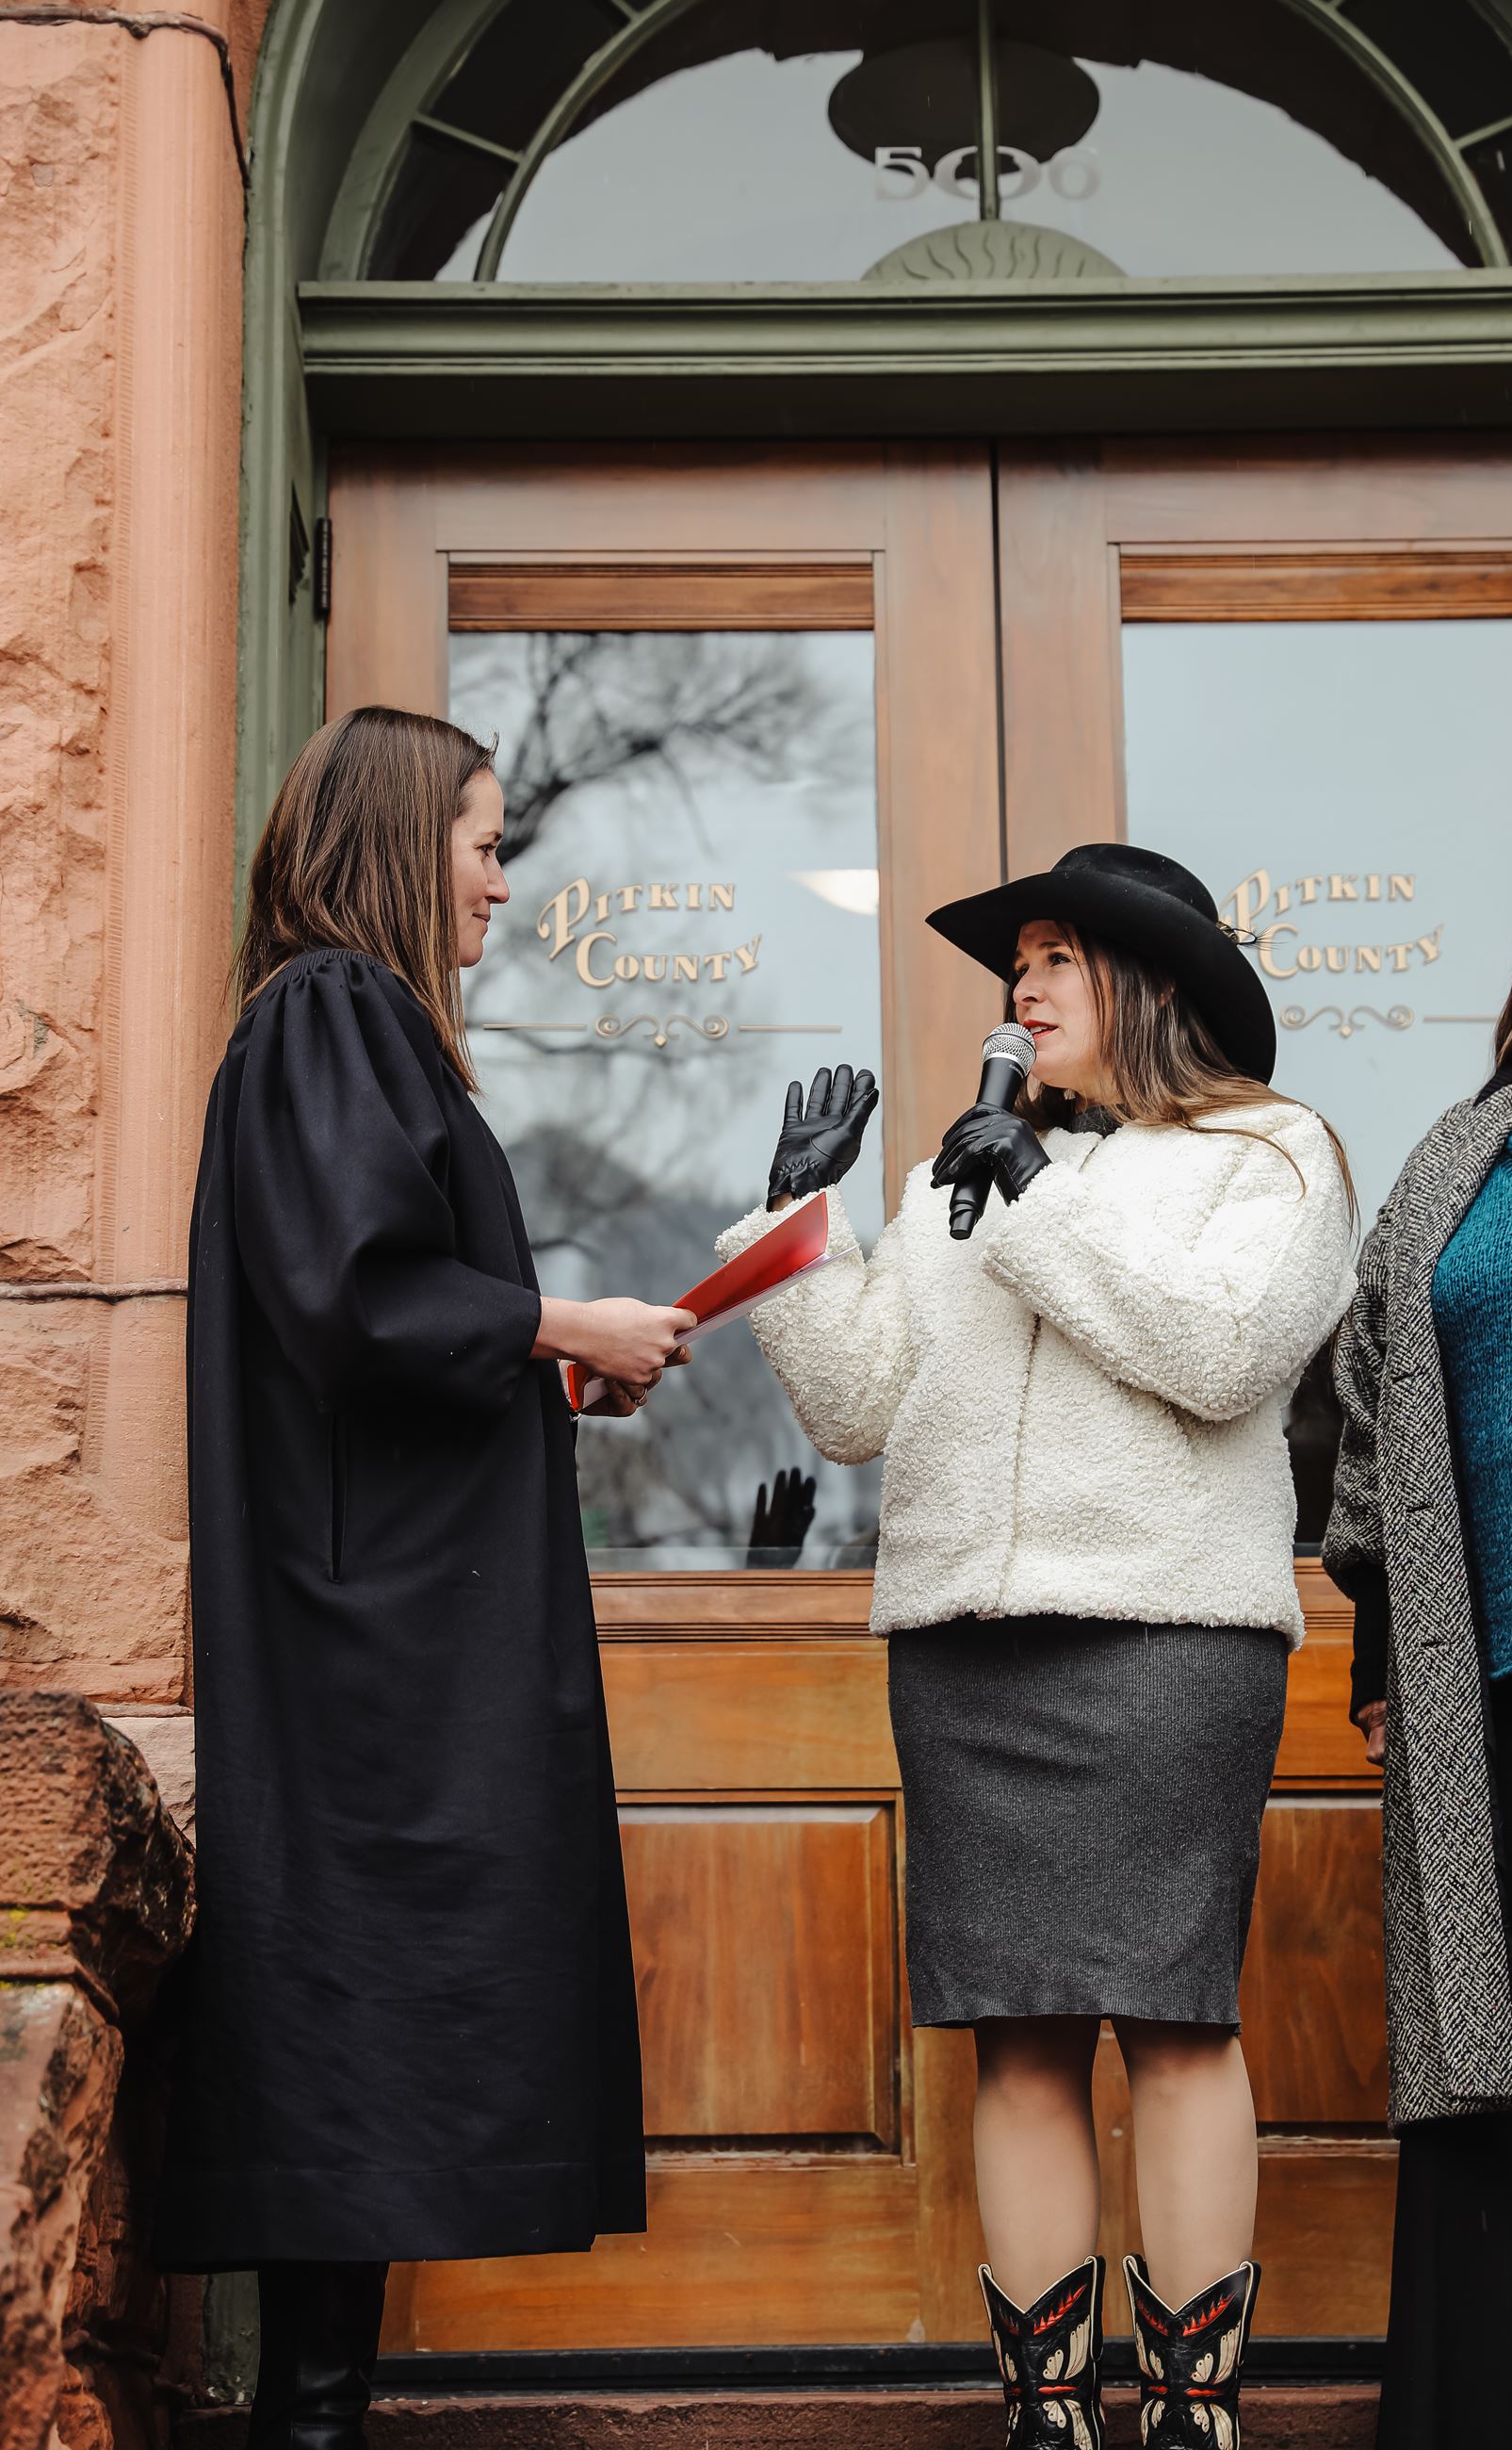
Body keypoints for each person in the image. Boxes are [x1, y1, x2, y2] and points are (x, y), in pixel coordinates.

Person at [716, 843, 1357, 2447]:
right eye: (1022, 963)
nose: (1025, 985)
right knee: (1014, 2035)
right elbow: (858, 1412)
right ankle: (1047, 2420)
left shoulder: (1270, 1155)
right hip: (963, 1648)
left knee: (1175, 2022)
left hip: (1162, 1639)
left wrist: (1032, 1203)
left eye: (1061, 957)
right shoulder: (968, 1173)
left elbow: (1219, 1361)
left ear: (1149, 987)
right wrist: (804, 1217)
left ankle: (1191, 2418)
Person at [154, 709, 695, 2449]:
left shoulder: (346, 1030)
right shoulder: (329, 1011)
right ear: (398, 842)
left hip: (386, 1624)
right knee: (350, 2038)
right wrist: (554, 1317)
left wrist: (539, 1367)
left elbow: (371, 1334)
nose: (500, 877)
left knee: (365, 2054)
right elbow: (350, 1284)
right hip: (372, 1661)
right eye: (481, 838)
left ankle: (320, 2424)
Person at [1325, 839, 1512, 2450]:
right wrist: (1381, 1647)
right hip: (1495, 1676)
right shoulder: (1454, 1161)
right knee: (1476, 2043)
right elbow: (1367, 1409)